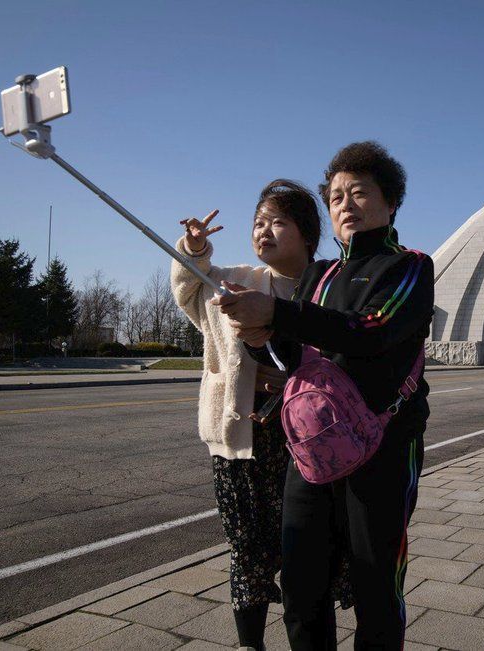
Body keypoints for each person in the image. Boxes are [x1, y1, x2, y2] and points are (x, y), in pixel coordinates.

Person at [213, 142, 434, 650]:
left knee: (376, 586)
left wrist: (277, 315)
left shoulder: (409, 266)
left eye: (359, 193)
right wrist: (263, 340)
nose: (346, 205)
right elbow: (294, 362)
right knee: (301, 586)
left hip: (383, 446)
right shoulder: (318, 274)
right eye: (336, 197)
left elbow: (370, 329)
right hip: (311, 451)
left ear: (391, 202)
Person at [171, 180, 349, 650]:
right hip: (246, 439)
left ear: (308, 234)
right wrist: (194, 248)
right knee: (247, 550)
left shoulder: (333, 285)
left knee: (309, 554)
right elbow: (190, 287)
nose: (263, 231)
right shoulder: (237, 280)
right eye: (258, 222)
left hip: (313, 440)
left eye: (277, 222)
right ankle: (251, 644)